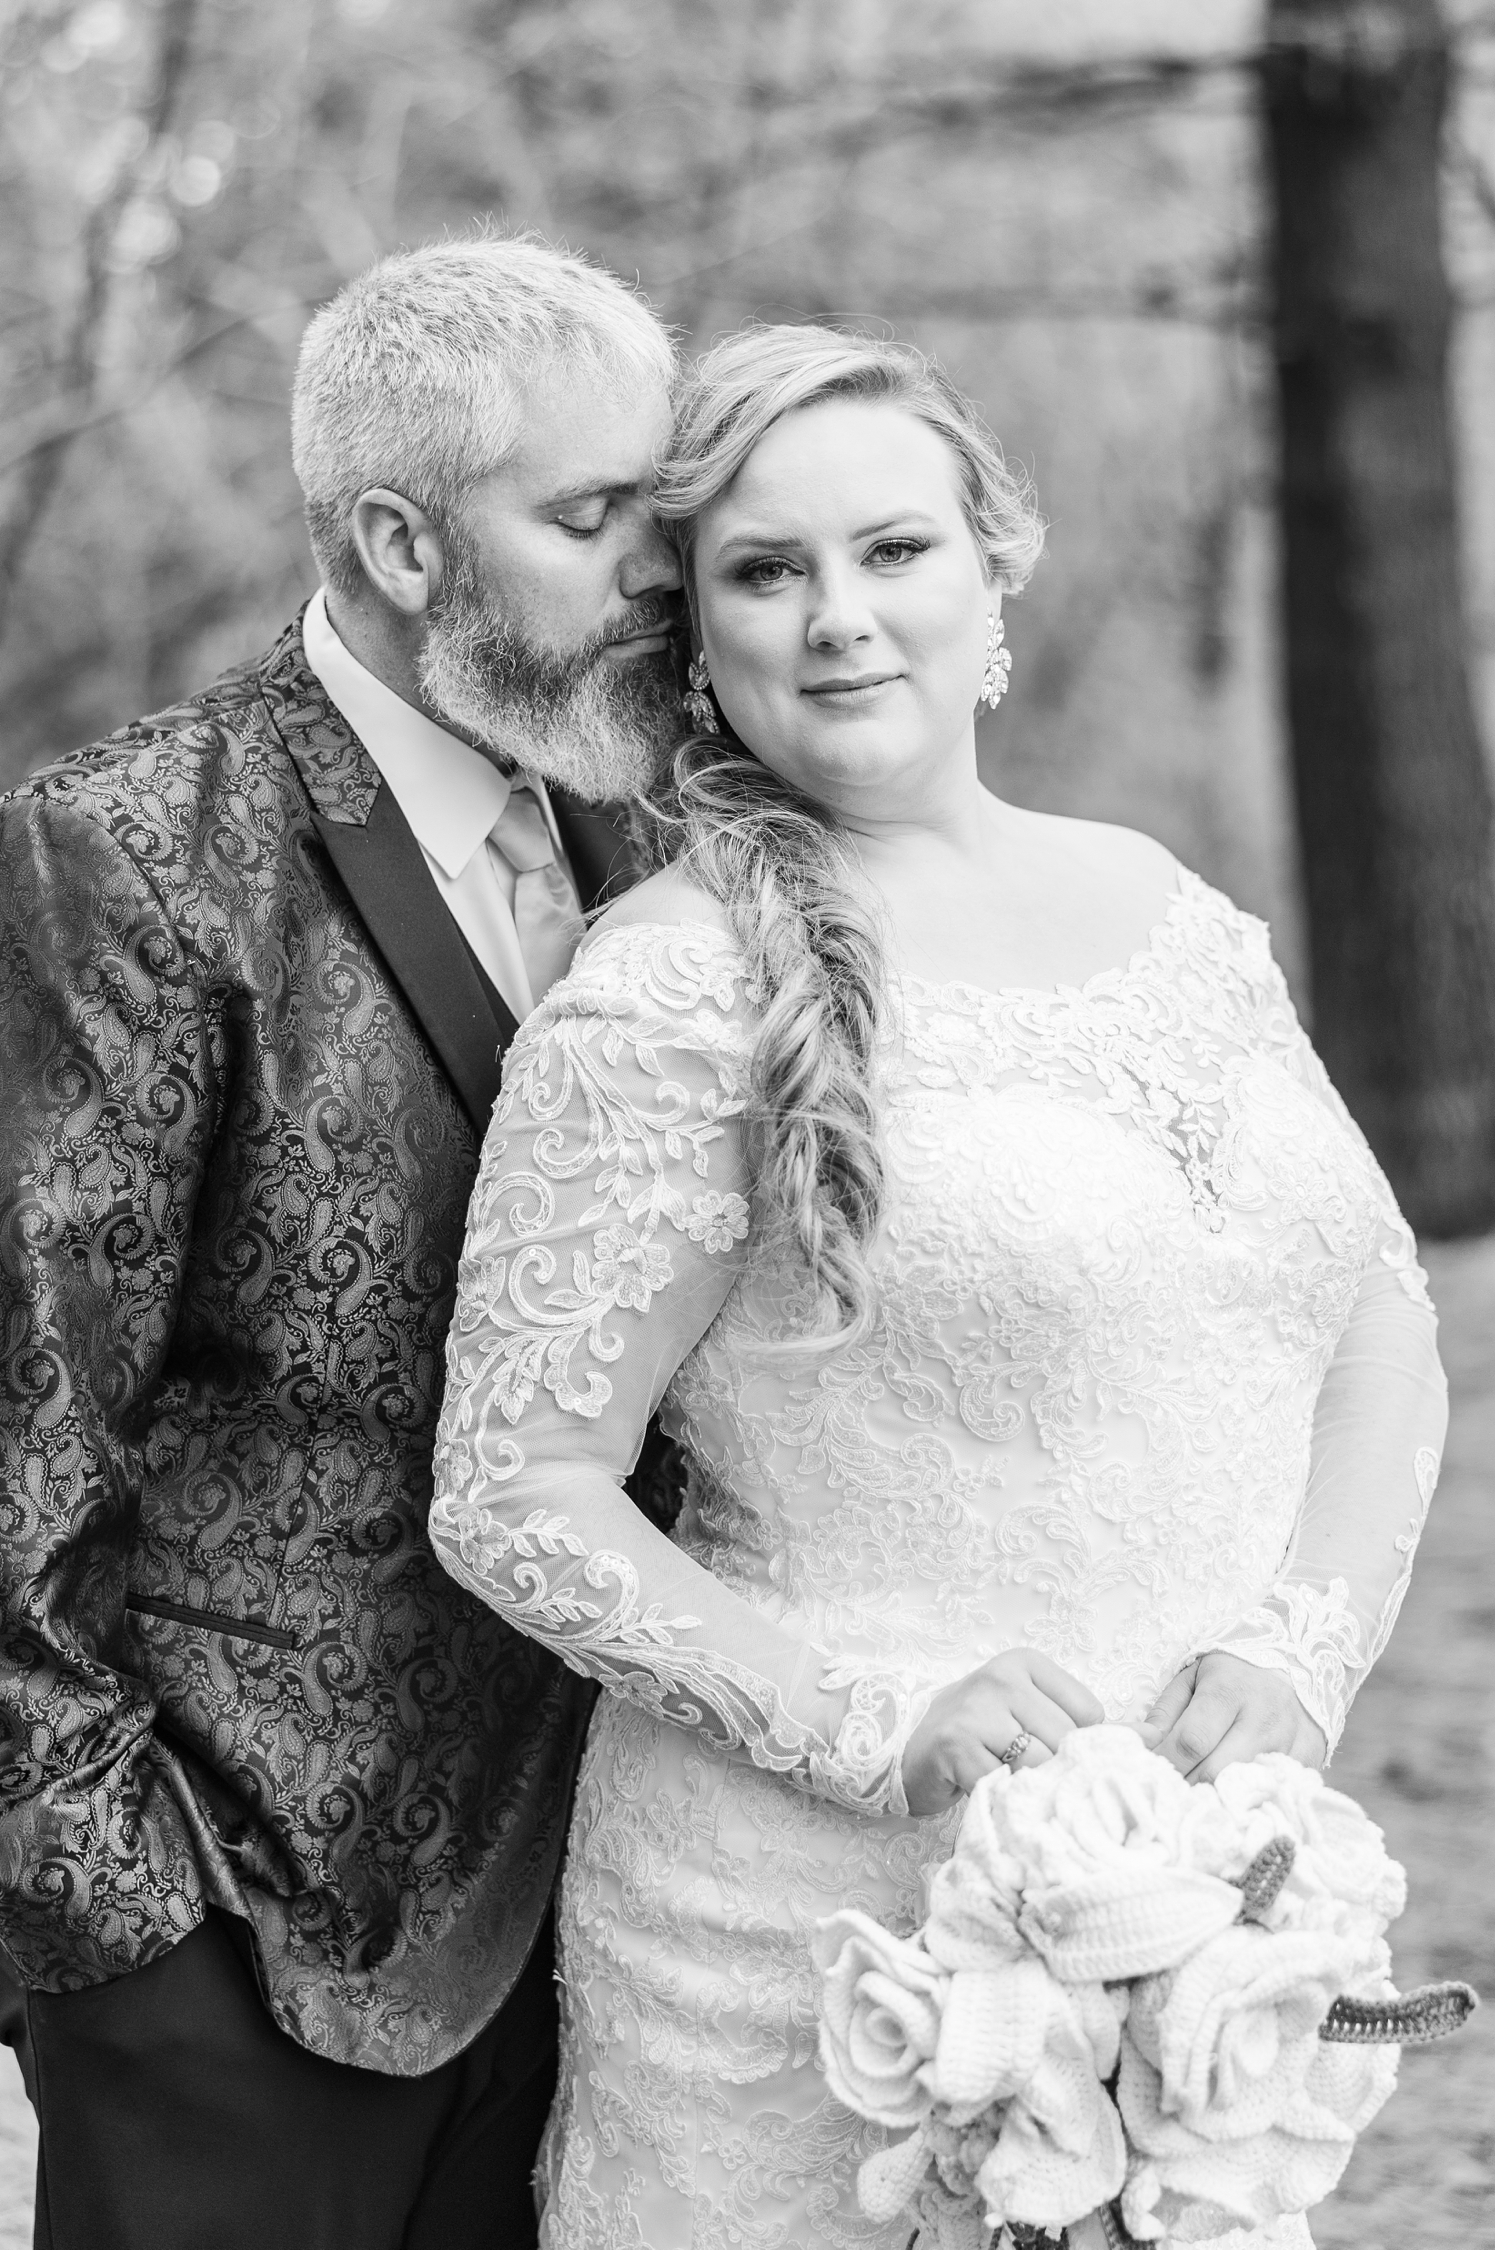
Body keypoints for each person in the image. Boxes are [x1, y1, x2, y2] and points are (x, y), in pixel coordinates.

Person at [429, 323, 1450, 2250]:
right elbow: (513, 1492)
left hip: (1192, 1913)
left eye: (892, 549)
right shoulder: (668, 991)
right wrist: (879, 1718)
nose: (839, 617)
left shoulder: (1171, 910)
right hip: (810, 1961)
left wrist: (1297, 1657)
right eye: (765, 570)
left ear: (995, 563)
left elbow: (1379, 1322)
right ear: (697, 640)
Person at [0, 232, 685, 2250]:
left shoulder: (650, 835)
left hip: (608, 1943)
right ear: (397, 539)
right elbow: (25, 1423)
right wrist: (125, 1953)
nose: (650, 575)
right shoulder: (127, 851)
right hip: (247, 1953)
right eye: (587, 521)